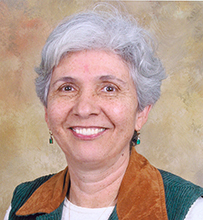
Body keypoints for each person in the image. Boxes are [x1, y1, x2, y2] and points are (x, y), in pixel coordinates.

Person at [5, 3, 203, 220]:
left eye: (109, 88)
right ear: (47, 111)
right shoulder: (21, 205)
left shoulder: (189, 210)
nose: (84, 108)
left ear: (142, 111)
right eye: (67, 88)